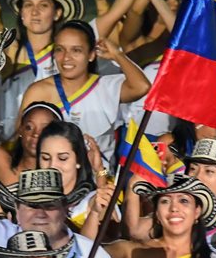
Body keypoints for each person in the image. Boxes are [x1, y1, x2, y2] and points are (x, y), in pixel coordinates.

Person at [19, 22, 150, 164]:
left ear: (91, 54)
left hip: (101, 178)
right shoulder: (37, 91)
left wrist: (117, 55)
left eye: (76, 50)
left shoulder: (105, 86)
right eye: (60, 49)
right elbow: (22, 139)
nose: (66, 57)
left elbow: (142, 87)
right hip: (54, 179)